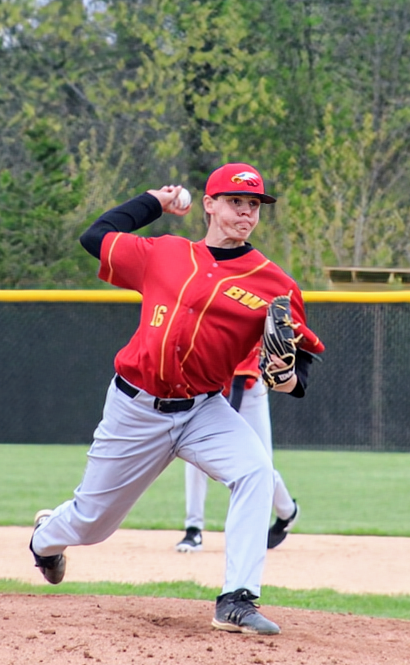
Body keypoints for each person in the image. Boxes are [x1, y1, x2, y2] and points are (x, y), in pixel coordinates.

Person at [28, 162, 324, 636]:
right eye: (235, 202)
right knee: (92, 525)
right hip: (135, 407)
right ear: (209, 205)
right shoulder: (163, 254)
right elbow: (95, 236)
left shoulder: (275, 284)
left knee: (255, 472)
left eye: (253, 205)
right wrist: (154, 202)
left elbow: (300, 370)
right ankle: (45, 540)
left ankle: (237, 600)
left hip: (204, 410)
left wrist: (285, 376)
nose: (245, 212)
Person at [175, 347, 299, 554]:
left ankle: (287, 511)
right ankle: (193, 528)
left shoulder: (241, 322)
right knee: (193, 457)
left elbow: (240, 383)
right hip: (209, 392)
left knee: (262, 465)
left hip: (250, 394)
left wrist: (220, 429)